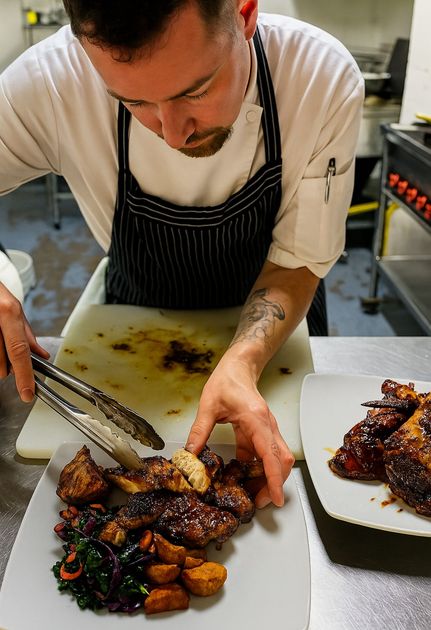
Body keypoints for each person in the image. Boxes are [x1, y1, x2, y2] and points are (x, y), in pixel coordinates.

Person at [0, 0, 364, 509]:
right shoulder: (51, 82)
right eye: (132, 102)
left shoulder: (316, 77)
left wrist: (242, 363)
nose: (172, 134)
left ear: (244, 14)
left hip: (277, 330)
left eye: (196, 91)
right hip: (129, 328)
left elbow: (298, 262)